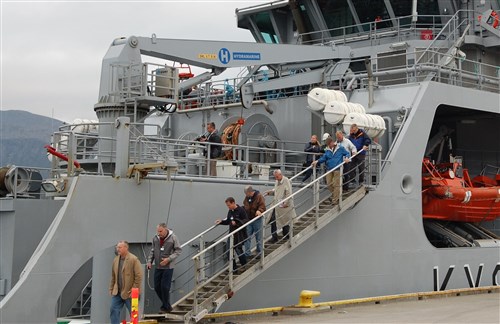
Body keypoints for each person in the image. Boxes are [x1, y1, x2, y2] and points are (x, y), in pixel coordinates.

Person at [147, 223, 182, 314]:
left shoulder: (173, 238)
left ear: (165, 229)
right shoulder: (155, 238)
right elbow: (152, 251)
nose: (159, 233)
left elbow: (178, 250)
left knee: (165, 287)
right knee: (157, 287)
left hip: (168, 266)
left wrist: (169, 259)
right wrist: (149, 261)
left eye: (161, 231)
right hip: (158, 266)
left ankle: (165, 306)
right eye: (158, 231)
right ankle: (167, 306)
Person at [109, 241, 143, 324]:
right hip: (117, 292)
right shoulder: (116, 259)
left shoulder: (133, 259)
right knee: (113, 310)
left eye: (120, 247)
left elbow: (139, 275)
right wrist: (111, 288)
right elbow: (113, 276)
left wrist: (134, 289)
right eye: (117, 247)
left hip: (130, 293)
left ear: (126, 248)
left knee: (133, 313)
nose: (118, 249)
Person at [312, 137, 350, 205]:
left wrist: (347, 158)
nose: (329, 145)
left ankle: (335, 200)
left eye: (329, 144)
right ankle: (337, 195)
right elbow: (324, 158)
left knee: (336, 184)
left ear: (332, 142)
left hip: (337, 169)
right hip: (329, 169)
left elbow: (347, 153)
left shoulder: (340, 148)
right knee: (329, 184)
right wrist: (317, 161)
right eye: (328, 145)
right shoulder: (328, 150)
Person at [215, 197, 248, 272]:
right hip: (231, 234)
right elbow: (228, 221)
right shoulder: (230, 211)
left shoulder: (241, 210)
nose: (228, 207)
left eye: (229, 205)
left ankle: (244, 264)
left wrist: (237, 222)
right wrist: (221, 222)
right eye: (227, 205)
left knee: (238, 249)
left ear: (233, 203)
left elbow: (246, 220)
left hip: (239, 234)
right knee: (228, 251)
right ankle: (234, 268)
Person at [264, 169, 296, 241]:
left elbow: (289, 193)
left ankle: (287, 235)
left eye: (277, 177)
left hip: (284, 205)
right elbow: (276, 191)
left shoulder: (286, 181)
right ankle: (274, 237)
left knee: (284, 220)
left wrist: (286, 202)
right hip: (277, 204)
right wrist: (270, 193)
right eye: (275, 177)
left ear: (281, 175)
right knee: (273, 220)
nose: (276, 178)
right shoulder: (277, 181)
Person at [242, 185, 266, 259]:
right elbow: (245, 205)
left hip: (257, 219)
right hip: (249, 220)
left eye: (246, 194)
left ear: (250, 192)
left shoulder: (259, 196)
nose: (246, 195)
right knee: (247, 236)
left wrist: (259, 210)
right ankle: (247, 253)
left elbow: (262, 206)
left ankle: (260, 252)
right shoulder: (247, 198)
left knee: (258, 236)